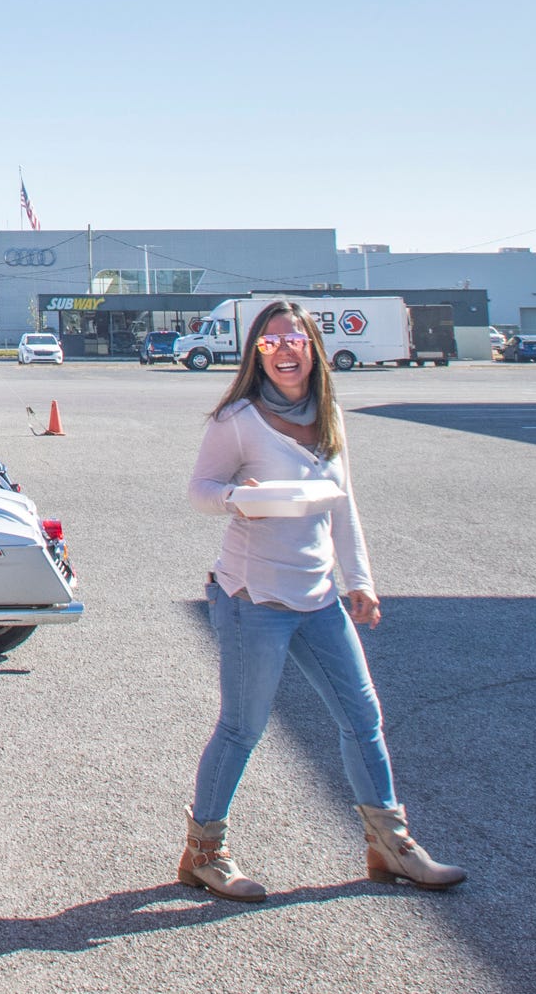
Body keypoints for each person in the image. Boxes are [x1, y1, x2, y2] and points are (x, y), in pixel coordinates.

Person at [180, 297, 463, 899]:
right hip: (252, 597)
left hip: (319, 597)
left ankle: (391, 845)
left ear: (313, 348)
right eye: (271, 342)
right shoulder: (237, 418)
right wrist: (236, 495)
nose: (285, 351)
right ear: (256, 352)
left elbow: (344, 502)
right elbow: (200, 490)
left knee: (363, 720)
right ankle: (204, 852)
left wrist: (358, 579)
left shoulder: (329, 418)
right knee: (242, 727)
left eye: (296, 340)